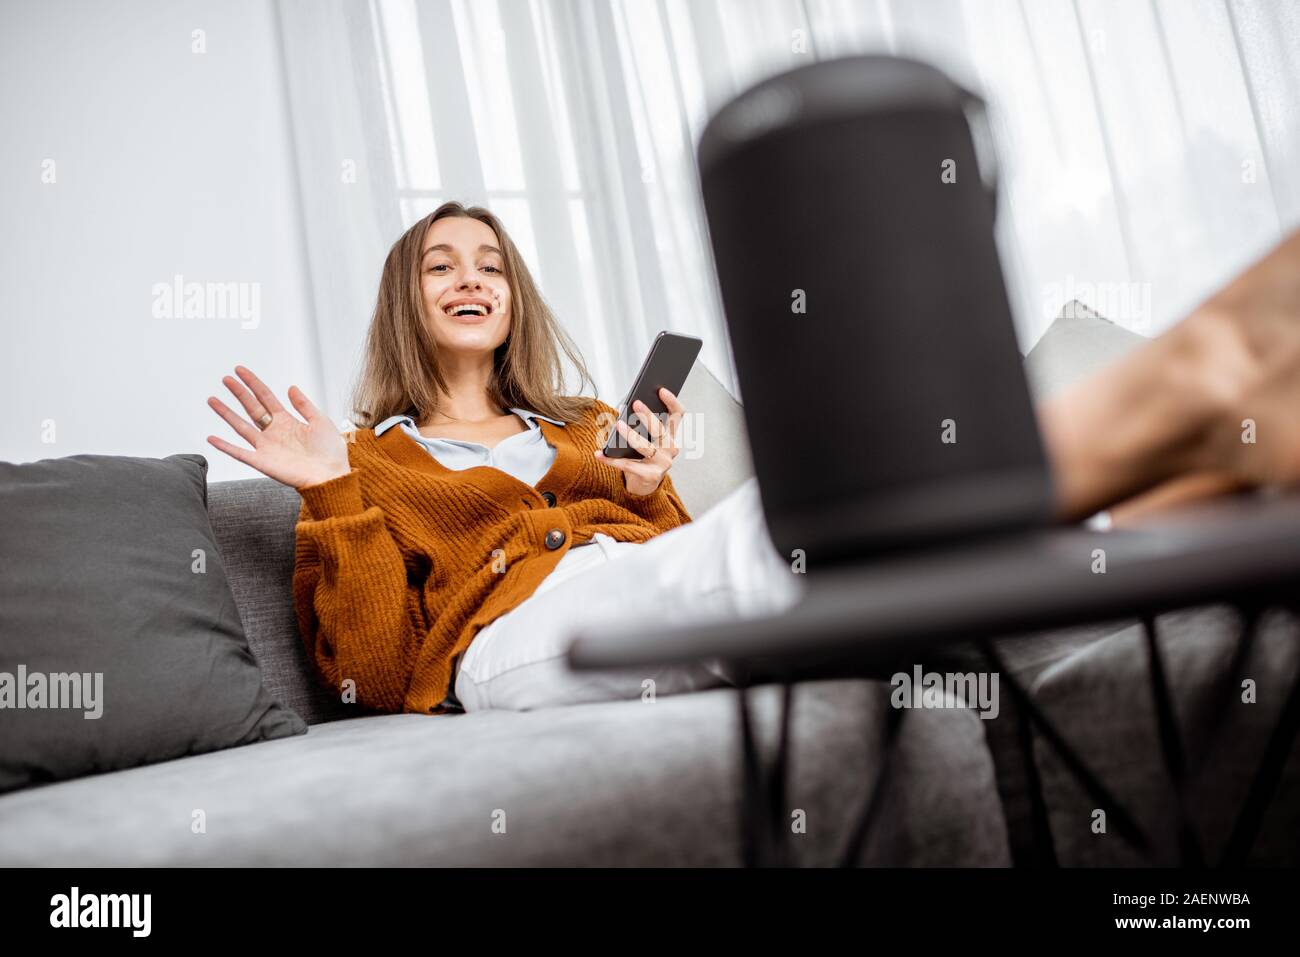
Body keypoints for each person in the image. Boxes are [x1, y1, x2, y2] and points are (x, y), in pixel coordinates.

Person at [207, 201, 1300, 715]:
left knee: (779, 547)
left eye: (490, 260)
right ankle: (1183, 395)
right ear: (408, 299)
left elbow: (684, 569)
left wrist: (643, 489)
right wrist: (333, 496)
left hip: (648, 587)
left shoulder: (588, 422)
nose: (470, 274)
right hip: (511, 645)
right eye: (439, 262)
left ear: (513, 296)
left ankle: (1189, 504)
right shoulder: (363, 460)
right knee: (785, 538)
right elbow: (370, 681)